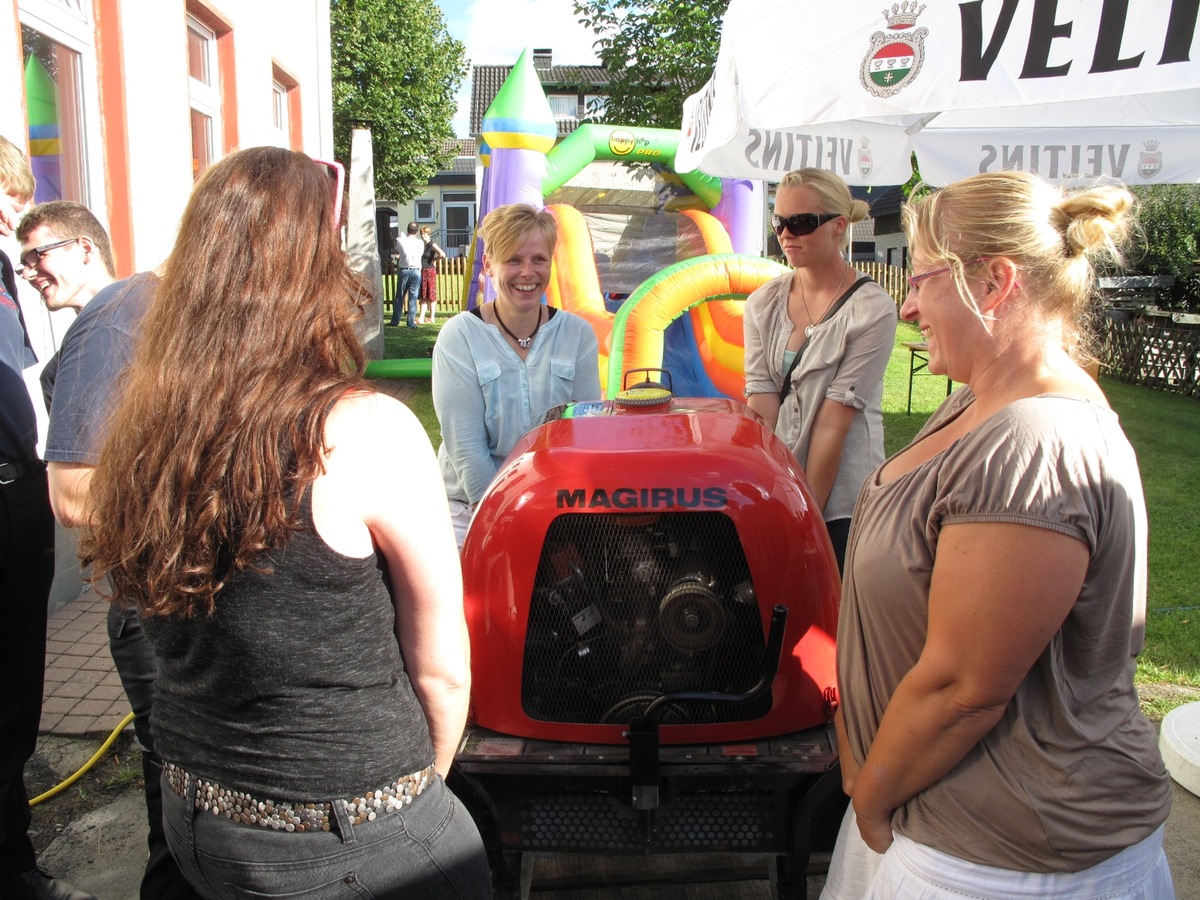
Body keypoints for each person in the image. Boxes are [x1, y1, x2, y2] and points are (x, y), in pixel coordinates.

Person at [81, 147, 491, 899]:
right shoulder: (364, 431)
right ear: (316, 273)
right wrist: (408, 804)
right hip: (348, 833)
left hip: (196, 821)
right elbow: (442, 669)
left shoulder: (145, 428)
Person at [825, 171, 1174, 899]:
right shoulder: (976, 404)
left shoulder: (1033, 440)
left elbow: (964, 688)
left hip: (1003, 855)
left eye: (920, 279)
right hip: (940, 815)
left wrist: (871, 794)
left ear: (994, 283)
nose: (908, 303)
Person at [26, 202, 201, 900]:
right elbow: (85, 489)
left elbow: (83, 491)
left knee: (181, 781)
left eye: (42, 253)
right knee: (183, 779)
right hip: (167, 584)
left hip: (159, 590)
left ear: (88, 248)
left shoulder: (112, 318)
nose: (32, 271)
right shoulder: (131, 317)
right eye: (24, 260)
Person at [0, 138, 94, 900]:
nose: (9, 216)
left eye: (11, 195)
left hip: (19, 497)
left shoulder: (11, 278)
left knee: (14, 696)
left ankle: (13, 861)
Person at [743, 168, 896, 571]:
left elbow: (833, 422)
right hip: (781, 483)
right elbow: (761, 402)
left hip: (843, 494)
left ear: (838, 227)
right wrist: (768, 489)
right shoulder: (762, 303)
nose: (787, 234)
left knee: (835, 611)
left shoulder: (872, 308)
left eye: (802, 223)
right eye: (779, 222)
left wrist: (806, 515)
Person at [432, 203, 600, 546]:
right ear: (490, 264)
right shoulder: (459, 336)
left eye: (538, 259)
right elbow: (466, 448)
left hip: (553, 504)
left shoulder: (578, 335)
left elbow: (583, 432)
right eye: (513, 260)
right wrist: (508, 520)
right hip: (469, 507)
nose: (528, 272)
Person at [390, 220, 424, 328]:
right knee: (413, 298)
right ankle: (410, 322)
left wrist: (402, 235)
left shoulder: (402, 241)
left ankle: (395, 321)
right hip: (416, 271)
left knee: (400, 296)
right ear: (417, 231)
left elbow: (398, 243)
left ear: (407, 229)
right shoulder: (420, 243)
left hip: (405, 269)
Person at [418, 225, 447, 324]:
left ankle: (431, 317)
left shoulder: (432, 244)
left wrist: (435, 259)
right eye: (421, 234)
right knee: (423, 294)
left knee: (431, 294)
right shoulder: (423, 245)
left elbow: (442, 254)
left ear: (428, 234)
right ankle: (422, 318)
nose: (422, 236)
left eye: (424, 234)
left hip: (429, 271)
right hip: (423, 270)